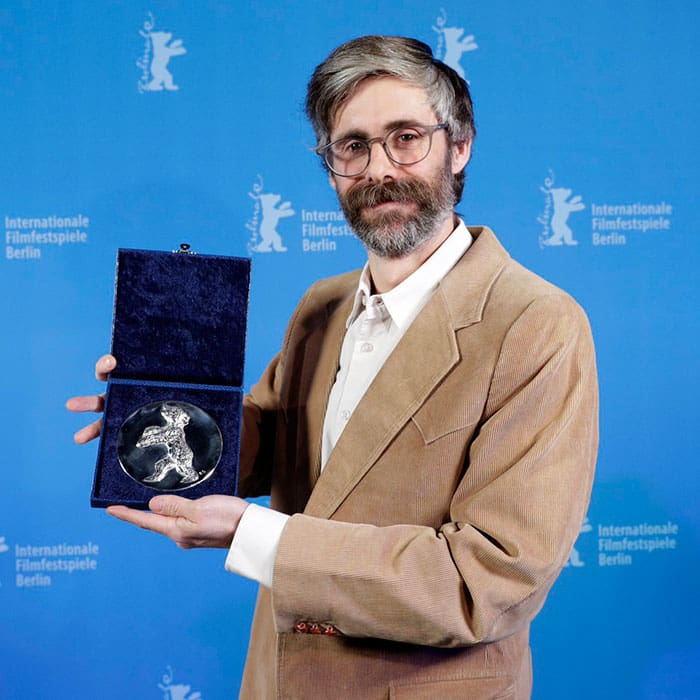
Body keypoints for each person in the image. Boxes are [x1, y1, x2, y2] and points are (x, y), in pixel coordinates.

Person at [68, 36, 598, 700]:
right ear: (330, 169)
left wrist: (255, 535)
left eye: (406, 138)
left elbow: (487, 582)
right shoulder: (322, 305)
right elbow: (269, 448)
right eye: (353, 146)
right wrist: (156, 408)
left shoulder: (537, 324)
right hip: (277, 681)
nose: (380, 169)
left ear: (459, 146)